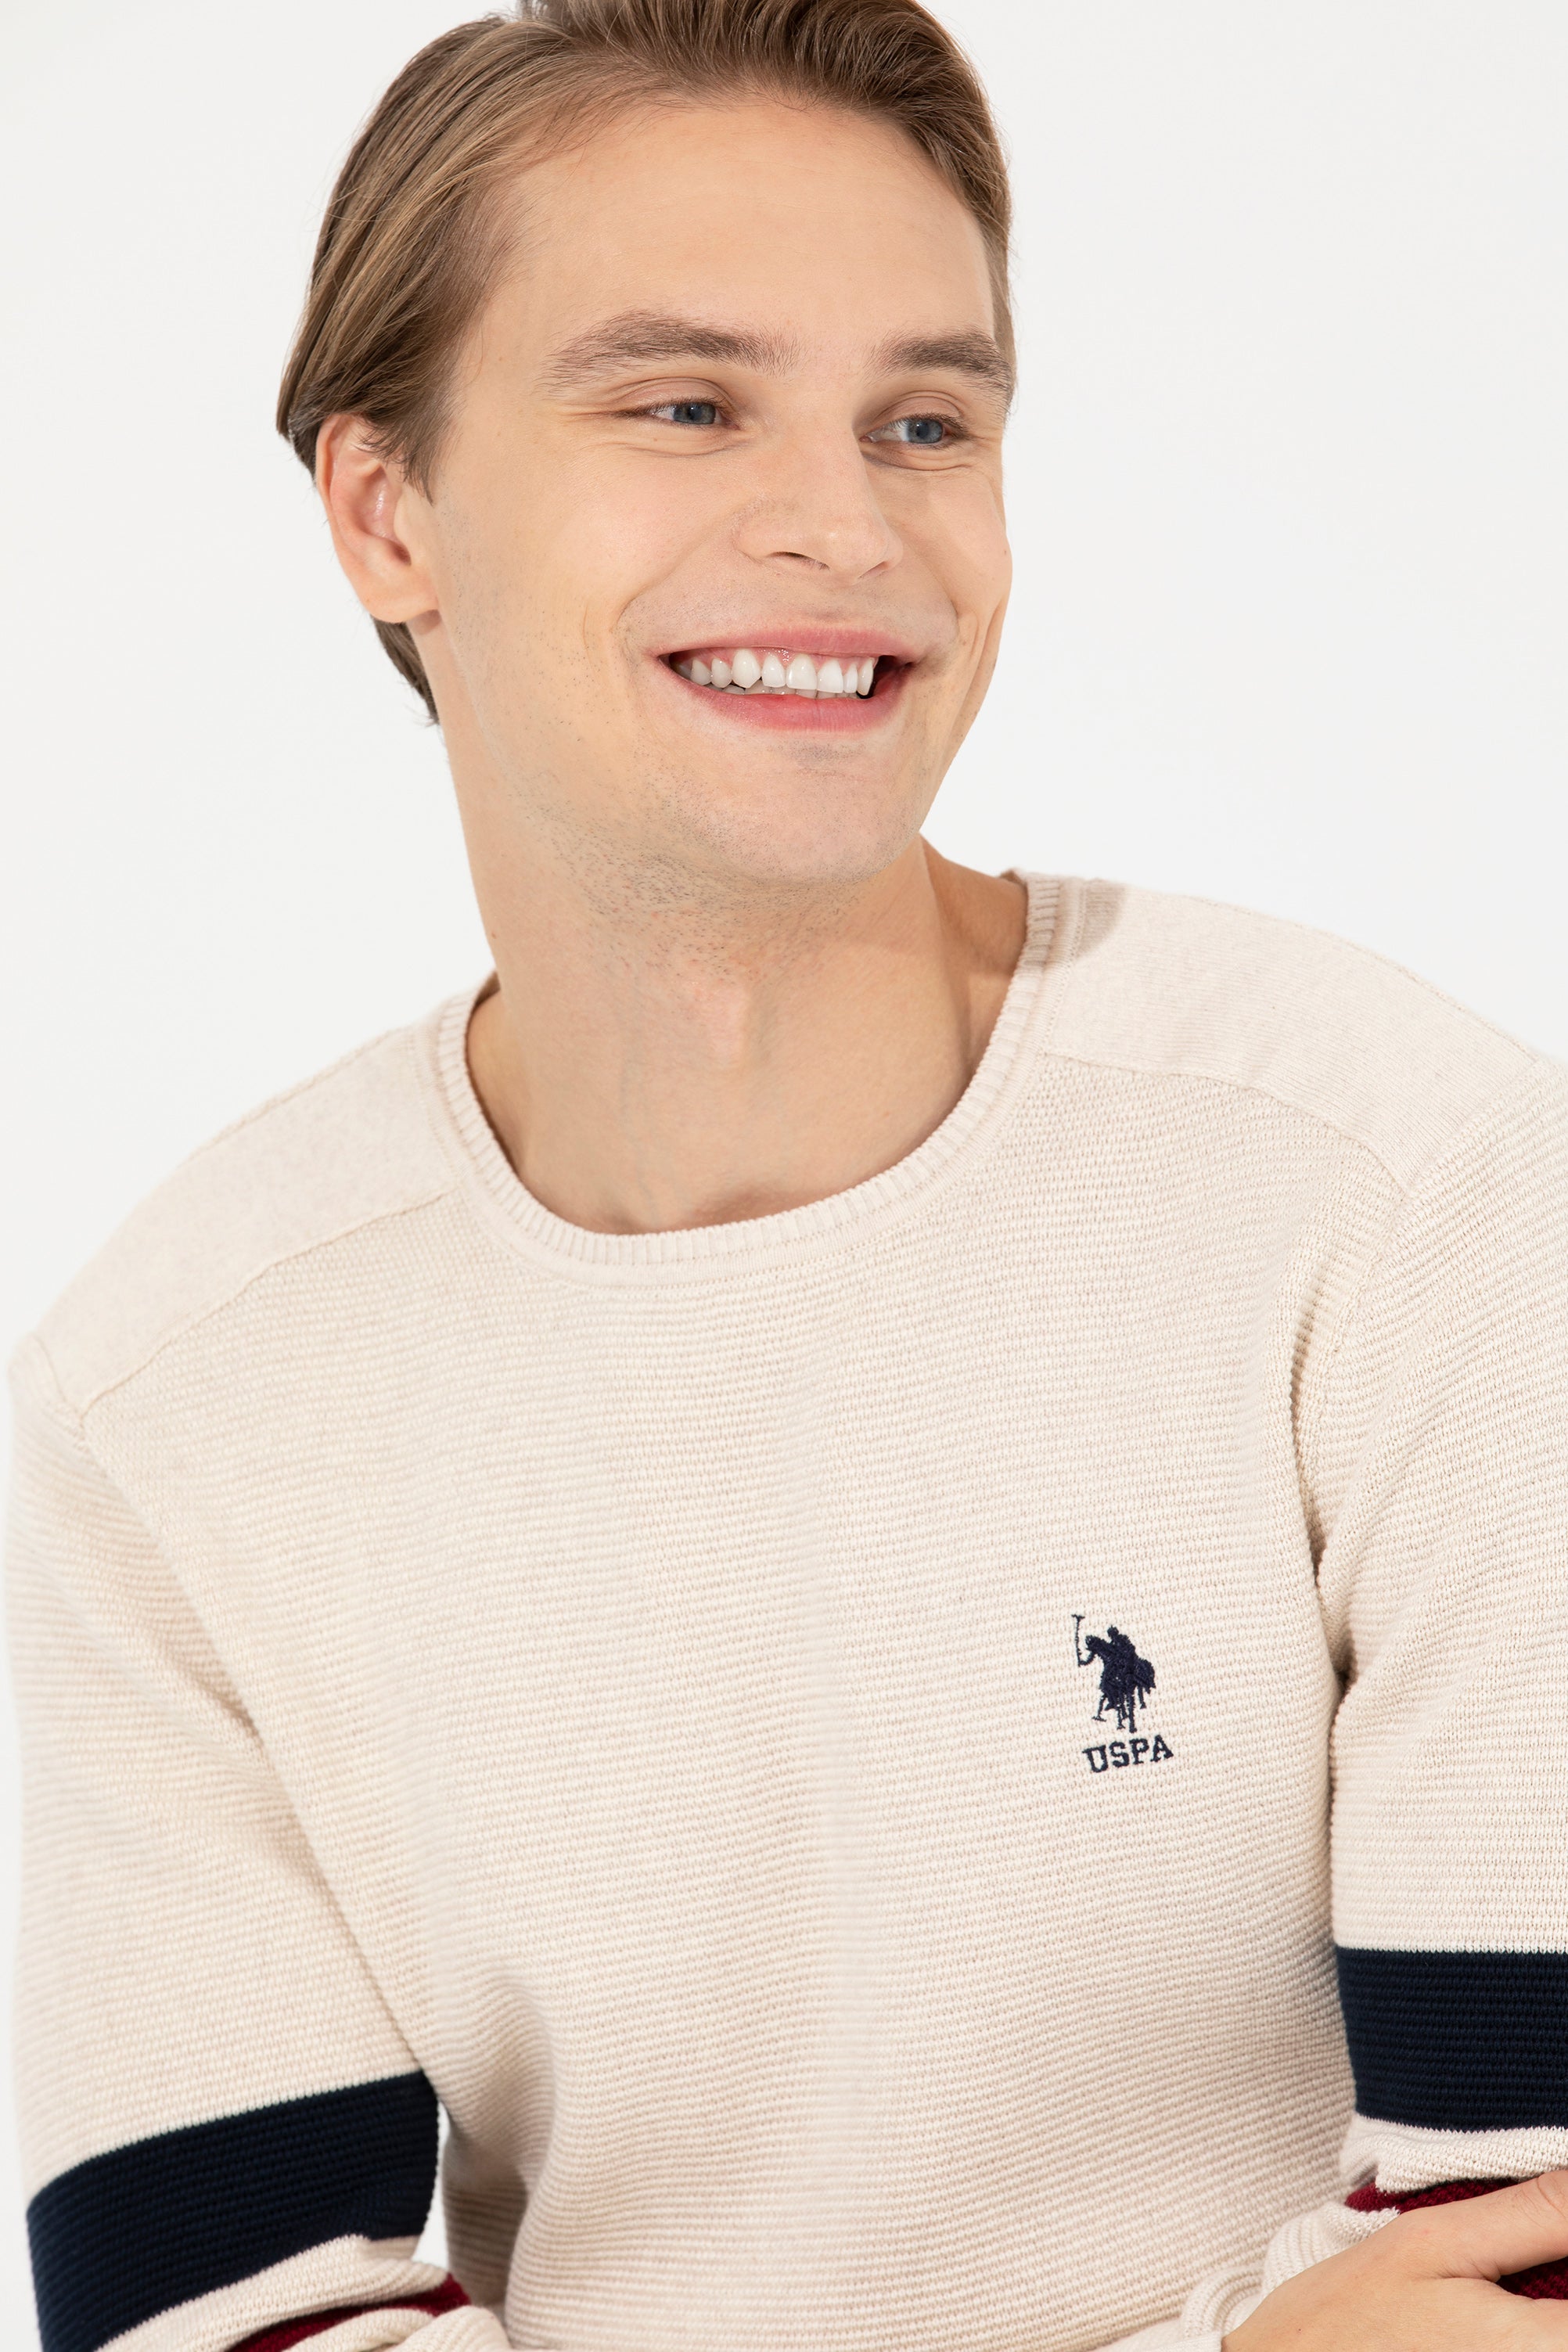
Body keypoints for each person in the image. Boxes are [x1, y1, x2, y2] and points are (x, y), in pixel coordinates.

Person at [8, 3, 1568, 2350]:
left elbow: (1518, 2274)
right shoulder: (167, 1405)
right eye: (683, 405)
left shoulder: (1410, 1190)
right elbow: (220, 2316)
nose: (846, 527)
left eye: (925, 422)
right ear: (386, 513)